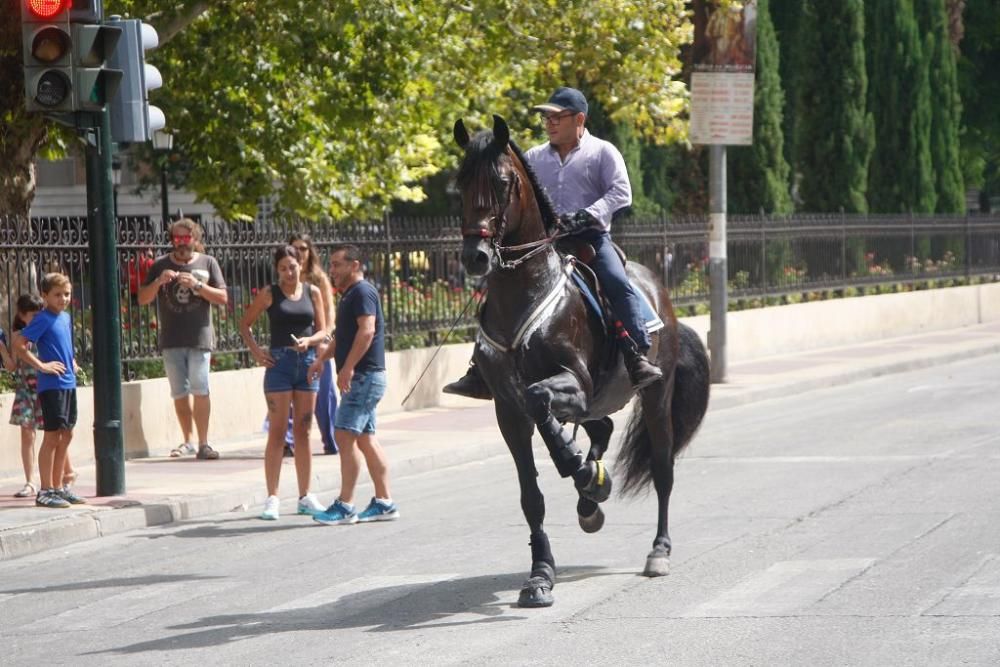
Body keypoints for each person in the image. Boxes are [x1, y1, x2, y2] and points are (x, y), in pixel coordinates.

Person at [443, 86, 663, 399]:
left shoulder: (602, 152)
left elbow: (620, 192)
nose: (550, 123)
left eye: (557, 117)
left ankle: (637, 354)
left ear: (580, 119)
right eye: (547, 117)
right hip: (546, 242)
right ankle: (480, 368)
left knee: (615, 281)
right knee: (497, 290)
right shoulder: (532, 157)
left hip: (589, 239)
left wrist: (587, 215)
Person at [309, 244, 399, 525]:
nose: (332, 270)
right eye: (331, 264)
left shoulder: (362, 292)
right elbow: (343, 336)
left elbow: (367, 331)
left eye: (337, 265)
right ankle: (384, 502)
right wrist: (322, 359)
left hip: (364, 376)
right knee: (365, 439)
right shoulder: (350, 295)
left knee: (344, 435)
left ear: (354, 265)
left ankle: (345, 505)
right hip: (363, 376)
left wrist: (347, 368)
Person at [240, 244, 328, 520]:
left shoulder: (312, 292)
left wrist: (310, 341)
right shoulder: (270, 293)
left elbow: (324, 330)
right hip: (279, 363)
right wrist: (257, 352)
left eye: (292, 267)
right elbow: (245, 324)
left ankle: (305, 495)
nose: (288, 273)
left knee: (304, 430)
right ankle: (273, 498)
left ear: (301, 265)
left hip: (306, 363)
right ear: (276, 270)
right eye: (282, 268)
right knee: (277, 432)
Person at [137, 219, 227, 460]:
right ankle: (187, 440)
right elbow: (142, 298)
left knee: (200, 387)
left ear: (195, 239)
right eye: (176, 239)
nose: (181, 244)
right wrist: (158, 282)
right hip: (171, 338)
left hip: (200, 338)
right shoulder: (160, 264)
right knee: (179, 392)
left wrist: (198, 285)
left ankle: (203, 442)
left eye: (186, 239)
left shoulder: (208, 263)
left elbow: (223, 297)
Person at [14, 274, 84, 508]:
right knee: (52, 435)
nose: (63, 299)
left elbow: (63, 345)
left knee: (68, 434)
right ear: (45, 296)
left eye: (66, 294)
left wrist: (72, 361)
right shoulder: (42, 319)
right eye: (57, 295)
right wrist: (42, 366)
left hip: (68, 382)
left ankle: (59, 487)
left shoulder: (64, 318)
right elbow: (20, 345)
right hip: (51, 385)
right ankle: (45, 490)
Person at [265, 233, 338, 457]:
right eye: (296, 248)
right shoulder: (281, 283)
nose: (301, 252)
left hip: (316, 345)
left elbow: (328, 314)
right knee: (285, 400)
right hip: (287, 353)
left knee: (324, 394)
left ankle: (330, 438)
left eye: (304, 248)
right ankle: (286, 441)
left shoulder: (317, 281)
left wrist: (323, 341)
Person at [2, 294, 77, 498]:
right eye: (33, 315)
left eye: (38, 314)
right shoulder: (19, 335)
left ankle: (66, 474)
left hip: (46, 387)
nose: (37, 318)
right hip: (26, 389)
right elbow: (11, 365)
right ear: (22, 316)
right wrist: (2, 347)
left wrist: (72, 364)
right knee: (28, 433)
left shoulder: (46, 327)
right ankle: (29, 481)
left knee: (56, 433)